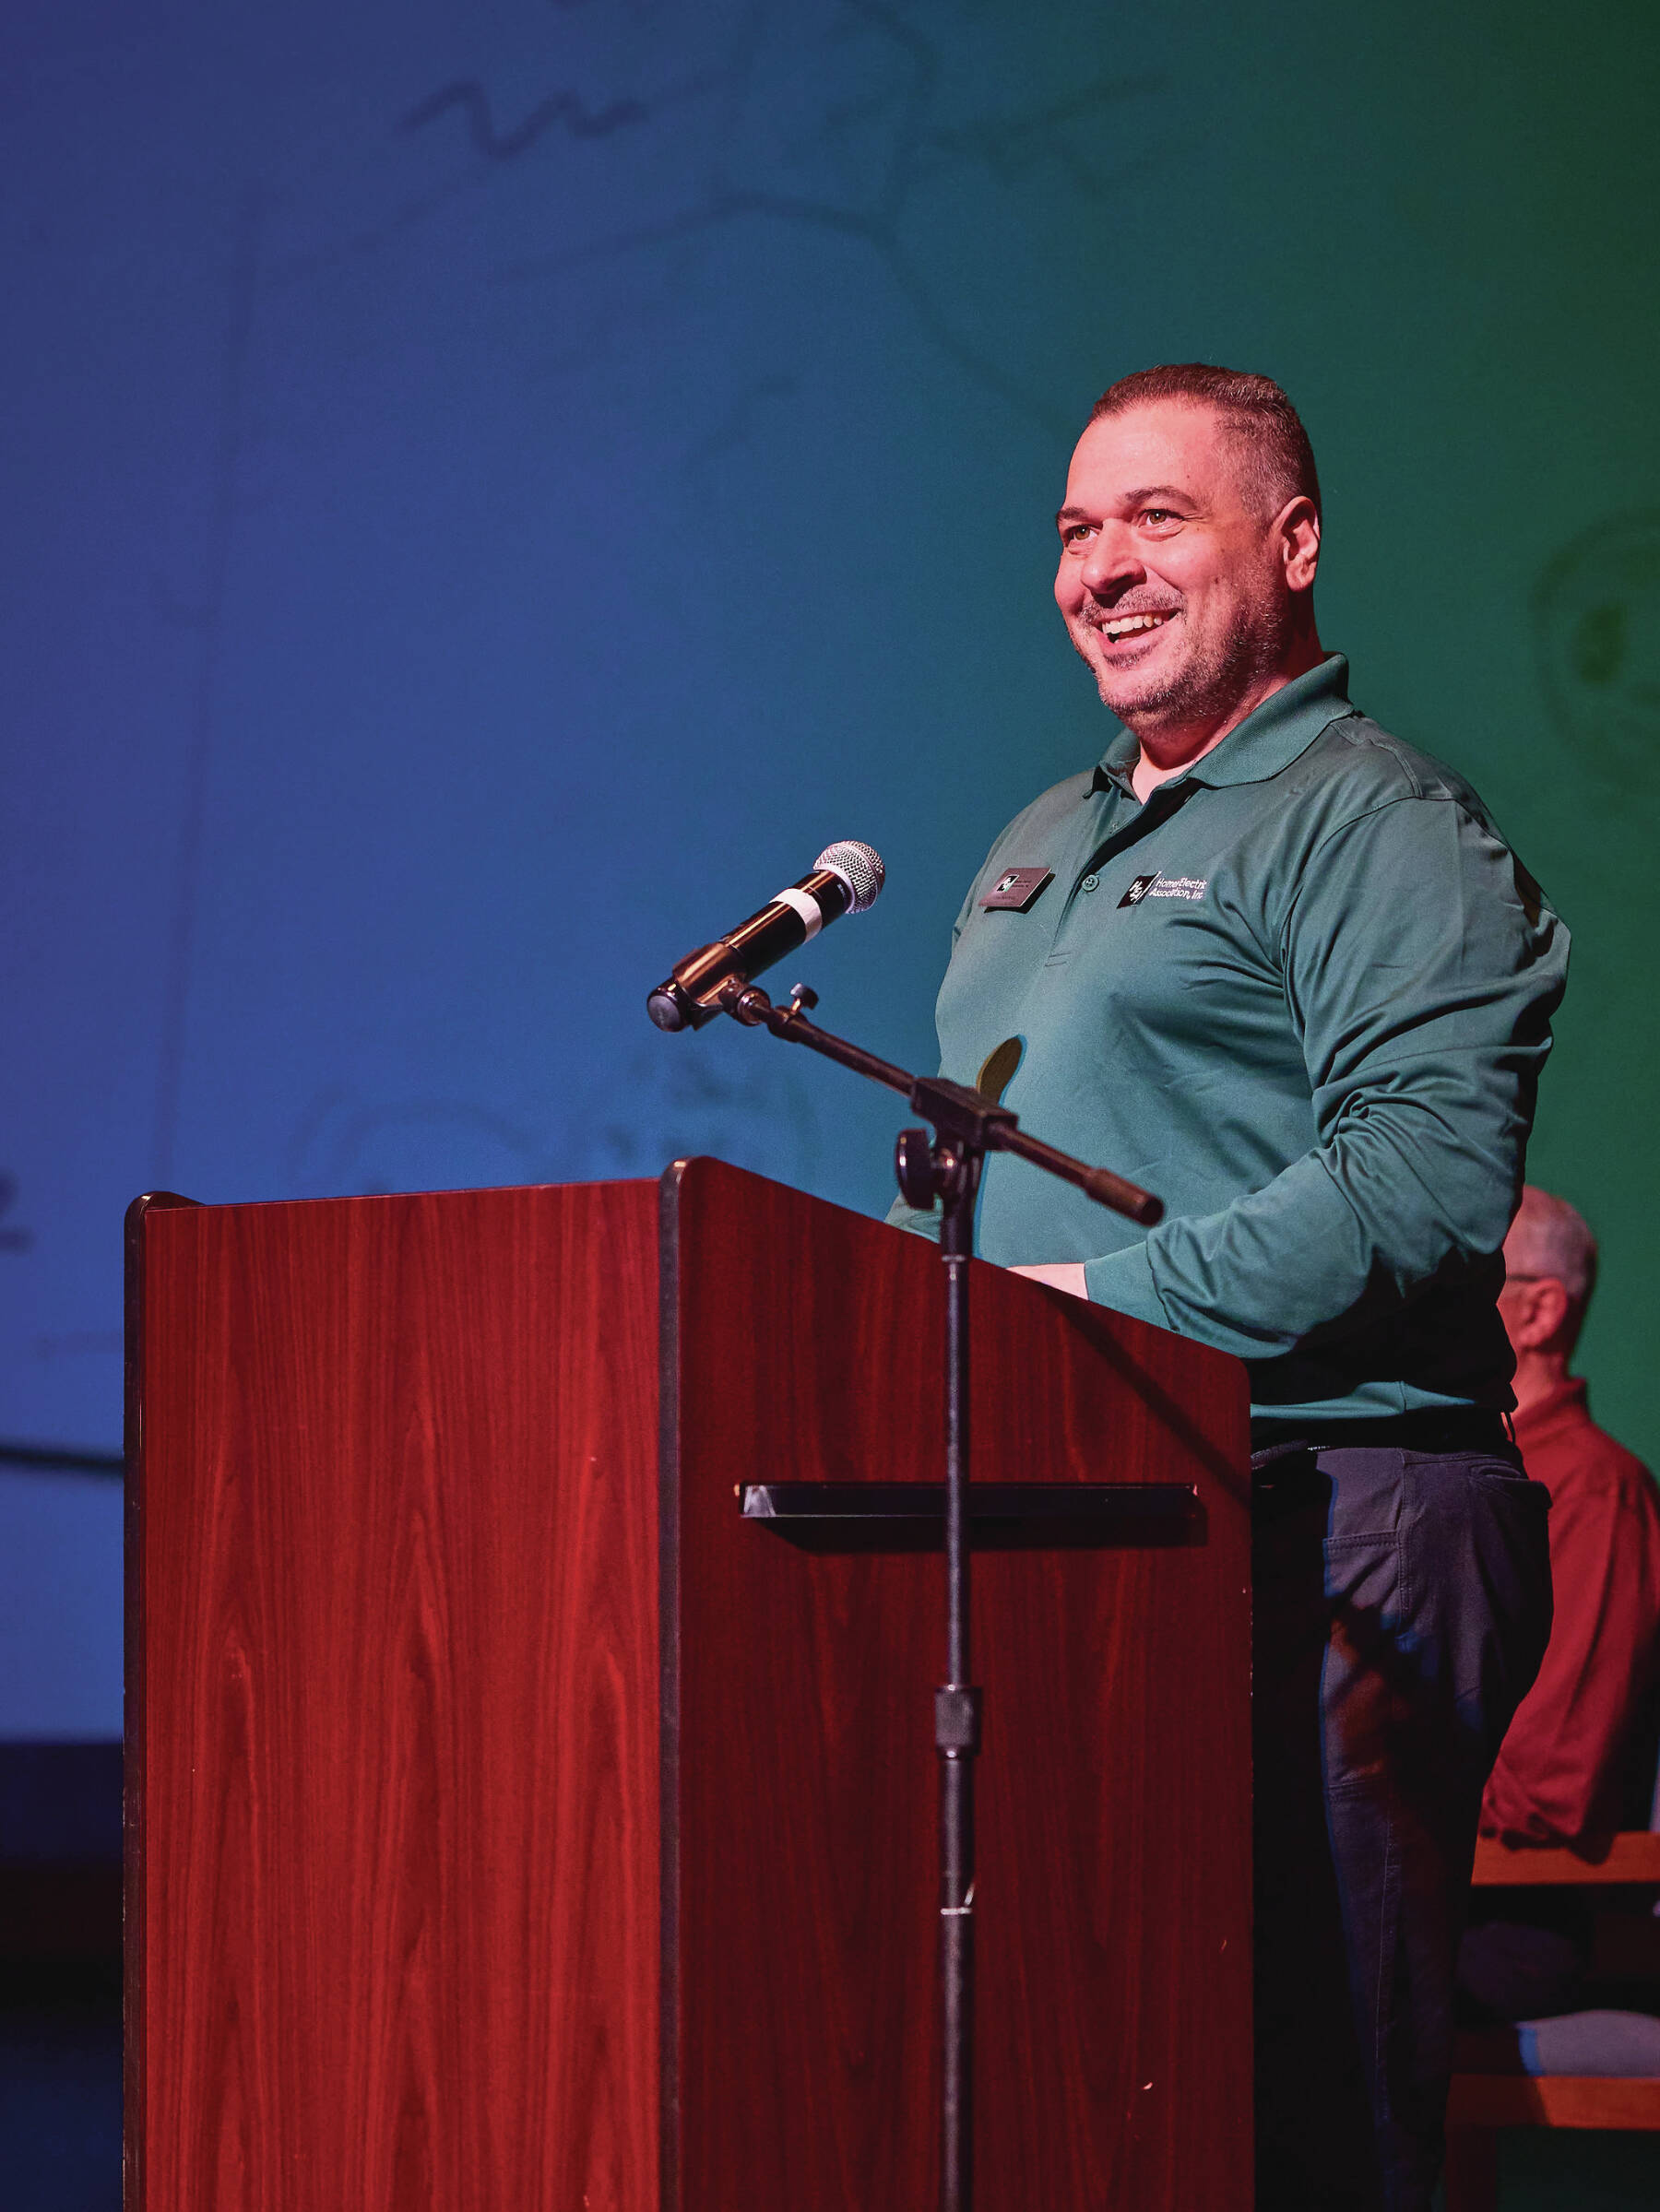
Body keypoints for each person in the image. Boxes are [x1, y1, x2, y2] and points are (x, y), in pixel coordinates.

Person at [888, 364, 1570, 2210]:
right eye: (1073, 529)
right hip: (1085, 1509)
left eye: (1155, 518)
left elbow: (1419, 1191)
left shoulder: (1380, 823)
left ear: (1295, 540)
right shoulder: (1045, 833)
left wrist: (1083, 1301)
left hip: (1335, 1510)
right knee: (1097, 2075)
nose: (1097, 567)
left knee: (1303, 2099)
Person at [1457, 1187, 1660, 2041]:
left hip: (1515, 1914)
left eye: (1459, 1276)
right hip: (1441, 1884)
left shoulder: (1593, 1487)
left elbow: (1547, 1792)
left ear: (1538, 1311)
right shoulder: (1467, 1474)